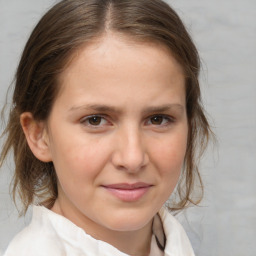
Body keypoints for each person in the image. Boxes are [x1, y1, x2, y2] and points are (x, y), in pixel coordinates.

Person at [0, 0, 211, 255]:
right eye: (95, 120)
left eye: (158, 119)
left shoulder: (172, 242)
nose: (132, 158)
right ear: (39, 135)